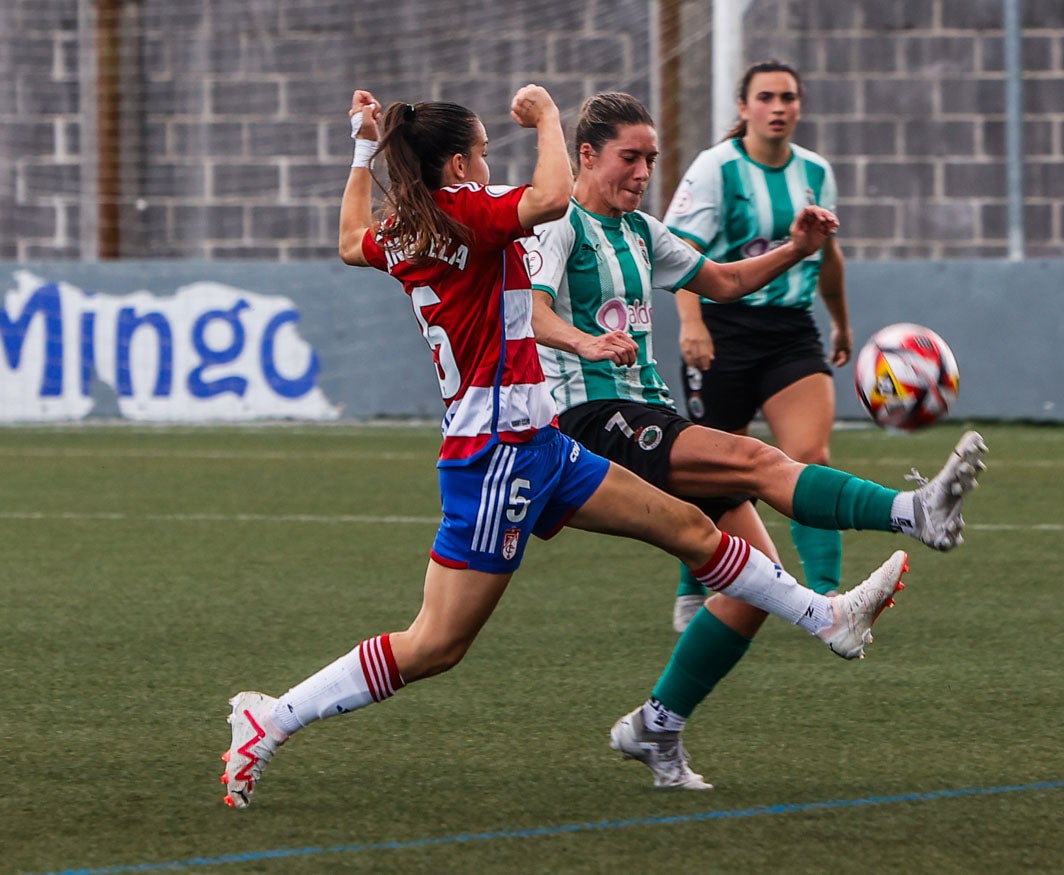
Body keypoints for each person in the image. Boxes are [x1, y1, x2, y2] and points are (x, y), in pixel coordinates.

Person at [219, 85, 909, 809]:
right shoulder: (469, 214)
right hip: (493, 457)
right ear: (456, 166)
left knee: (690, 527)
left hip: (536, 440)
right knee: (436, 643)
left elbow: (346, 239)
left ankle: (823, 616)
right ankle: (272, 716)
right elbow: (551, 199)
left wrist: (363, 150)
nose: (491, 159)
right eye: (483, 150)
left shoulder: (410, 228)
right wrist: (547, 116)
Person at [525, 91, 987, 790]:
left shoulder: (643, 232)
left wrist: (796, 249)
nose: (643, 170)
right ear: (586, 155)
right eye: (629, 157)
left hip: (646, 410)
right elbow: (529, 312)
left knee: (751, 587)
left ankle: (656, 725)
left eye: (650, 158)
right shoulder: (561, 225)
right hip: (591, 420)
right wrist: (587, 339)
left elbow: (723, 280)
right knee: (757, 458)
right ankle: (912, 513)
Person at [663, 59, 850, 629]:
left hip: (791, 331)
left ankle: (828, 596)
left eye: (788, 97)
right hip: (723, 330)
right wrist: (692, 325)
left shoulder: (815, 172)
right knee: (713, 472)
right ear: (743, 108)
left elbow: (826, 256)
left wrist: (841, 321)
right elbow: (680, 254)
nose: (778, 107)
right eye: (765, 97)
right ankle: (692, 580)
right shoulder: (716, 169)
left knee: (810, 456)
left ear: (800, 107)